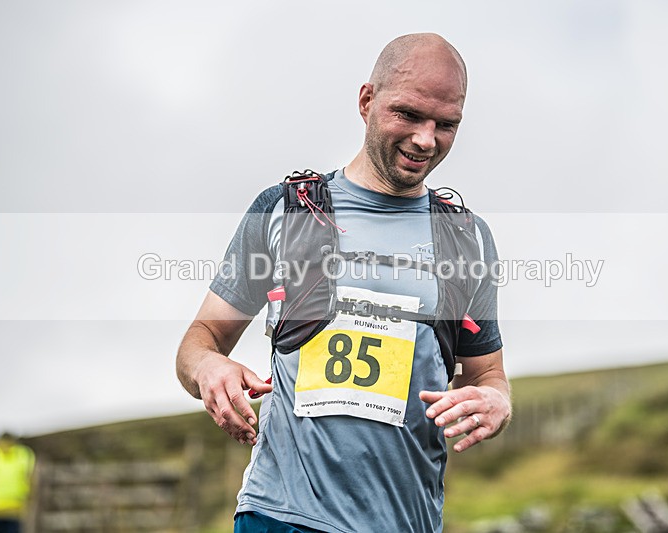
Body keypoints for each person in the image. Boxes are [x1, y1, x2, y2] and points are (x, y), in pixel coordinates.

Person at [177, 33, 512, 533]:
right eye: (409, 114)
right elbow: (197, 344)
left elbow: (488, 375)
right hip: (280, 516)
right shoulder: (286, 209)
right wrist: (208, 369)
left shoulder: (465, 239)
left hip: (404, 521)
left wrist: (496, 402)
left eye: (446, 125)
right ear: (367, 101)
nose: (426, 139)